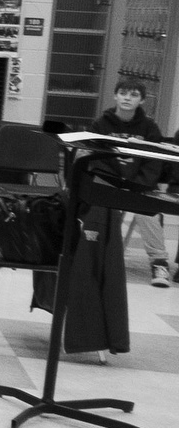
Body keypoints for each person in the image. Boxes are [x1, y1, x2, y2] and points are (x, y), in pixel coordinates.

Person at [92, 79, 172, 287]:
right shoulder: (100, 124)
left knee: (148, 213)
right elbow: (96, 158)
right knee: (101, 209)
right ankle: (99, 257)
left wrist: (137, 184)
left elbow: (154, 161)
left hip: (139, 186)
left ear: (142, 100)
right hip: (109, 182)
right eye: (123, 93)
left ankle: (159, 263)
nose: (127, 98)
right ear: (115, 96)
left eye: (134, 95)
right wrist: (115, 181)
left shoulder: (150, 127)